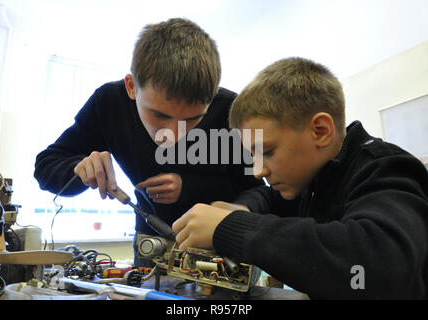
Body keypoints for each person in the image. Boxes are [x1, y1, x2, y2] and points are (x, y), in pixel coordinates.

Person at [172, 57, 428, 299]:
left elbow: (377, 267)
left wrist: (230, 227)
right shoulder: (310, 180)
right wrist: (241, 208)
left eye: (267, 151)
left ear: (320, 131)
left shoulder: (387, 168)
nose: (258, 170)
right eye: (252, 155)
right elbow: (266, 196)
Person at [34, 18, 263, 266]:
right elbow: (45, 167)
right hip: (151, 249)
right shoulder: (109, 104)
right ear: (132, 87)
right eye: (160, 115)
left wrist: (191, 188)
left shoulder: (233, 111)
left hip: (222, 251)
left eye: (193, 119)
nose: (172, 136)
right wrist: (78, 169)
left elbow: (261, 192)